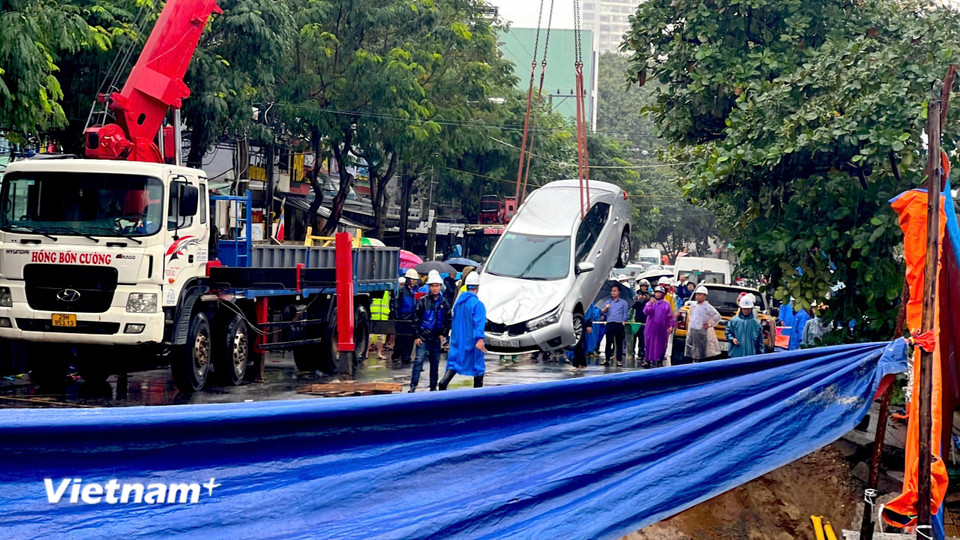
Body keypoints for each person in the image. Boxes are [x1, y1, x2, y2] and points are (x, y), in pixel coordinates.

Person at [439, 273, 487, 390]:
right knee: (478, 367)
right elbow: (479, 324)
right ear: (477, 287)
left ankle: (443, 384)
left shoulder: (458, 304)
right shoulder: (478, 305)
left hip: (458, 341)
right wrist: (480, 339)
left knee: (455, 363)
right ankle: (478, 396)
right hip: (472, 341)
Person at [409, 272, 452, 392]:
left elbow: (448, 319)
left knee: (435, 363)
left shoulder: (444, 302)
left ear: (440, 286)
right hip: (423, 337)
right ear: (429, 287)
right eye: (432, 286)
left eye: (437, 286)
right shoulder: (423, 301)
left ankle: (433, 387)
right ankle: (413, 386)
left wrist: (443, 333)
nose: (435, 288)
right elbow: (416, 319)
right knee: (418, 361)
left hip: (436, 337)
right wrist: (417, 336)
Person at [684, 285, 722, 362]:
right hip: (693, 329)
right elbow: (691, 314)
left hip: (701, 331)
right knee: (691, 347)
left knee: (699, 350)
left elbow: (717, 316)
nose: (697, 296)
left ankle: (698, 363)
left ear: (705, 296)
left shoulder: (707, 306)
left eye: (700, 294)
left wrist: (709, 325)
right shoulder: (693, 305)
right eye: (697, 294)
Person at [391, 268, 419, 367]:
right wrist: (398, 316)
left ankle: (406, 356)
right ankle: (396, 356)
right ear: (408, 279)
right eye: (412, 279)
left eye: (415, 279)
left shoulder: (416, 290)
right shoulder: (402, 290)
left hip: (412, 317)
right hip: (402, 317)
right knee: (400, 338)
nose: (414, 281)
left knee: (410, 338)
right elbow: (396, 304)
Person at [643, 286, 675, 367]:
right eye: (656, 292)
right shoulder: (651, 302)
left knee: (661, 344)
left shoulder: (666, 304)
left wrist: (671, 326)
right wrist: (650, 304)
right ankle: (648, 360)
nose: (657, 294)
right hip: (650, 327)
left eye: (659, 292)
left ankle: (659, 360)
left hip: (662, 328)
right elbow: (646, 311)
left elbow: (670, 316)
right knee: (649, 343)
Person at [601, 283, 630, 367]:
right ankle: (607, 359)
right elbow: (603, 312)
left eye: (615, 291)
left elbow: (625, 313)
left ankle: (619, 359)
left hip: (619, 323)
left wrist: (624, 320)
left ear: (618, 292)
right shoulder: (608, 302)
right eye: (612, 291)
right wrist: (606, 308)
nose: (613, 292)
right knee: (608, 341)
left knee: (619, 342)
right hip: (610, 323)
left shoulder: (623, 302)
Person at [632, 279, 650, 363]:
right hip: (637, 318)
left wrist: (648, 300)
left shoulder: (650, 296)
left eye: (645, 286)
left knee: (643, 337)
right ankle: (632, 351)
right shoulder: (637, 294)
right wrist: (638, 300)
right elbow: (633, 306)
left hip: (646, 319)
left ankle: (641, 352)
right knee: (635, 336)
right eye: (642, 286)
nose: (644, 288)